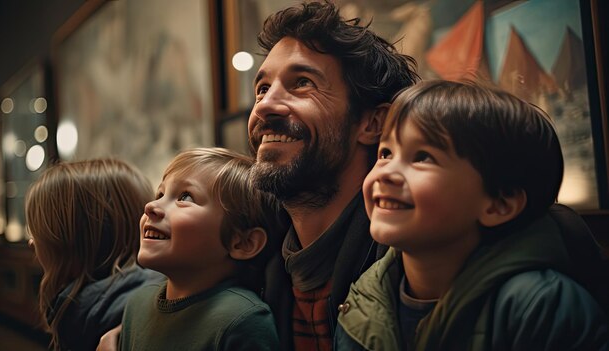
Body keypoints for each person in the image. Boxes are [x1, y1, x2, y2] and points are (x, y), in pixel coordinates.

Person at [335, 80, 609, 350]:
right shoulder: (365, 300)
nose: (386, 173)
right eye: (386, 153)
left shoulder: (541, 307)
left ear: (498, 205)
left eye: (423, 157)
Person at [247, 1, 419, 350]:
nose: (264, 105)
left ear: (373, 124)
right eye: (262, 88)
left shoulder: (418, 268)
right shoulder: (247, 253)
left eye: (302, 83)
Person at [118, 147, 287, 350]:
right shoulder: (136, 304)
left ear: (243, 242)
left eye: (185, 198)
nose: (151, 206)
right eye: (160, 193)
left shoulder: (242, 320)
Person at [25, 159, 164, 351]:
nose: (32, 242)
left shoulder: (80, 316)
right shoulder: (170, 291)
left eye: (40, 234)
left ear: (76, 245)